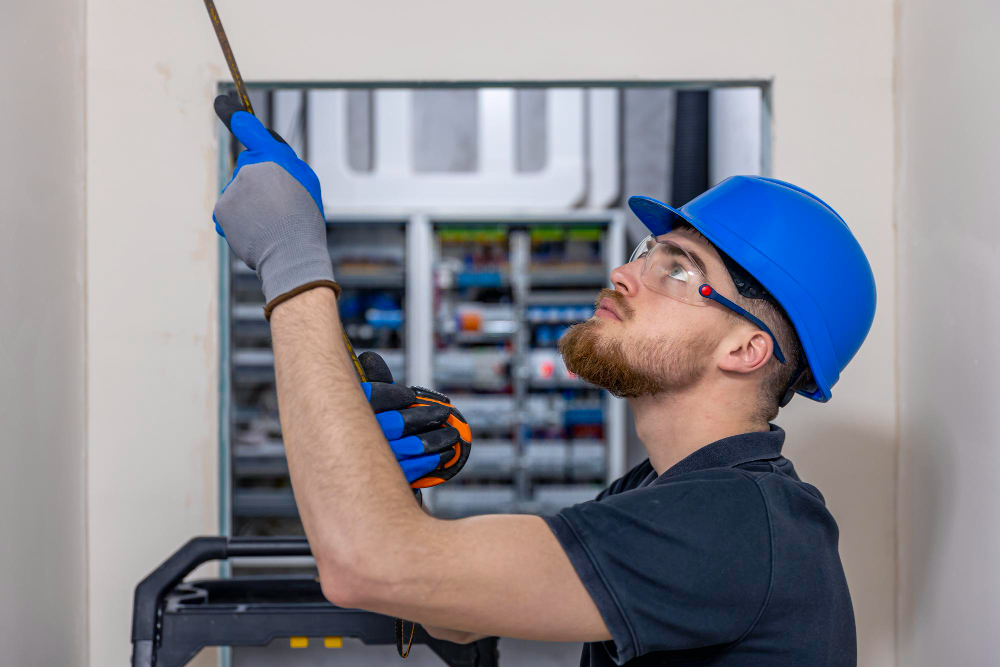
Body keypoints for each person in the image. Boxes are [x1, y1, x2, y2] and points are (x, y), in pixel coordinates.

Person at [211, 93, 875, 666]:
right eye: (649, 251)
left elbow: (366, 564)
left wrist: (290, 256)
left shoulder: (735, 523)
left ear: (746, 347)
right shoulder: (662, 492)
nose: (624, 272)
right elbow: (457, 612)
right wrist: (389, 485)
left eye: (678, 268)